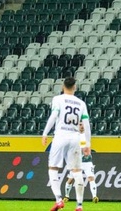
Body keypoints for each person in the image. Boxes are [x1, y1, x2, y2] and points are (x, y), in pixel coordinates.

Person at [42, 77, 92, 211]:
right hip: (75, 138)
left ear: (63, 86)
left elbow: (53, 116)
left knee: (53, 168)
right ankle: (79, 205)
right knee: (77, 171)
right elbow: (86, 125)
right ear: (75, 87)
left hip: (60, 136)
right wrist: (87, 144)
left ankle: (59, 200)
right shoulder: (81, 103)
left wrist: (45, 133)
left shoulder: (57, 99)